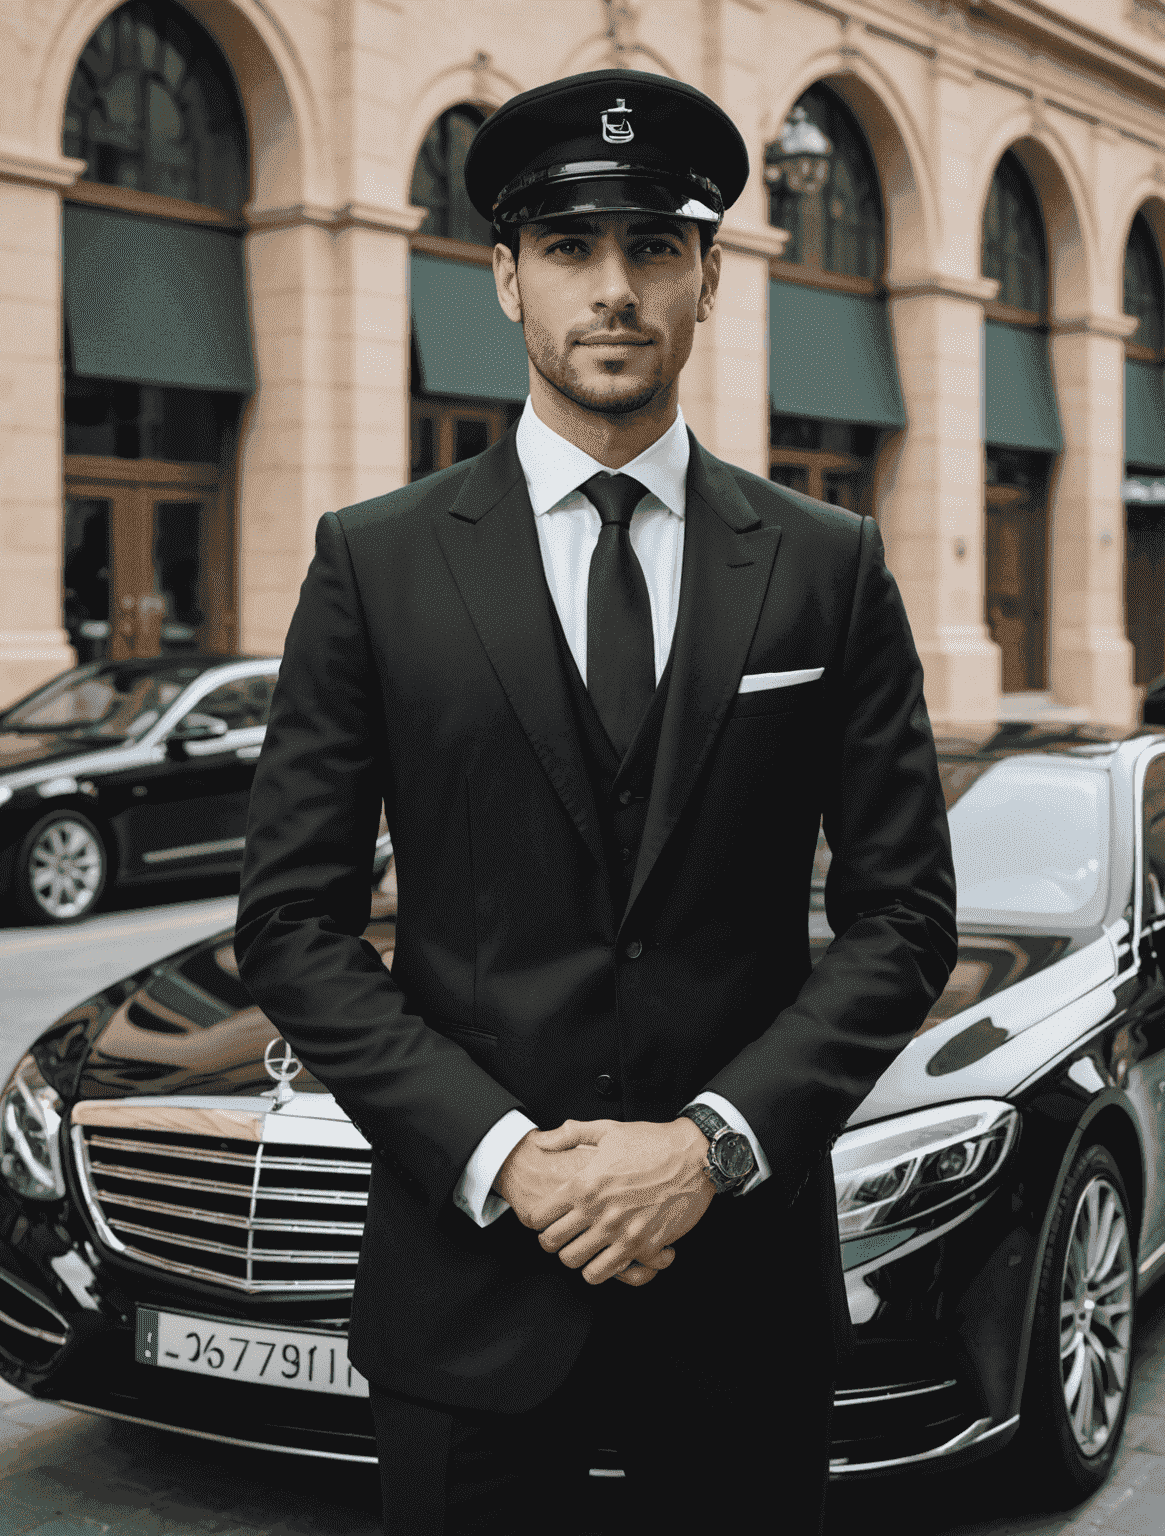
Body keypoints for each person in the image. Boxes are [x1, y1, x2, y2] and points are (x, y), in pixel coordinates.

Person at [234, 67, 957, 1535]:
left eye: (652, 249)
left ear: (706, 280)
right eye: (570, 249)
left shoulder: (827, 565)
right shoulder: (375, 564)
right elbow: (293, 926)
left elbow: (902, 917)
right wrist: (506, 1162)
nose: (612, 290)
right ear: (503, 277)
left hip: (740, 1294)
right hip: (469, 1297)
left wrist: (710, 1147)